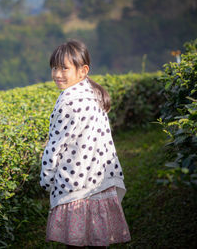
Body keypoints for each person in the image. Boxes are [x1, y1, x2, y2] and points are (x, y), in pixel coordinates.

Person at [39, 39, 131, 248]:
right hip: (99, 177)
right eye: (54, 67)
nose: (57, 74)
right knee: (99, 238)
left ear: (83, 70)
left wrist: (46, 177)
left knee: (76, 240)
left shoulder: (67, 101)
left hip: (74, 184)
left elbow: (55, 145)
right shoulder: (93, 92)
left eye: (64, 68)